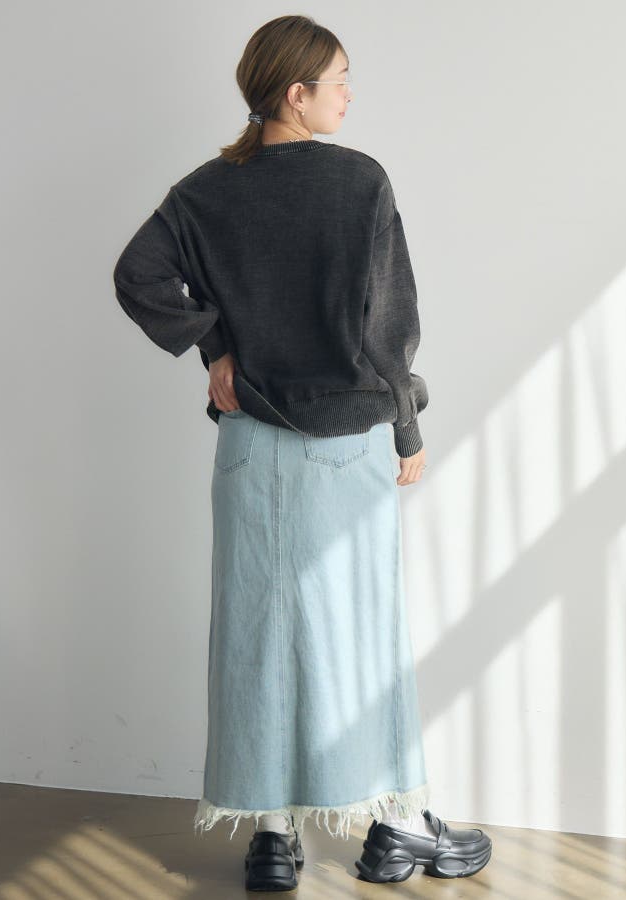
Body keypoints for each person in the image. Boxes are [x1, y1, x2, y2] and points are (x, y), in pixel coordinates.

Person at [113, 13, 492, 890]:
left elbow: (137, 275)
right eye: (340, 80)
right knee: (365, 634)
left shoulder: (204, 192)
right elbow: (389, 328)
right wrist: (406, 426)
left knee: (256, 636)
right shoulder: (359, 182)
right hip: (344, 450)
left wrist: (215, 349)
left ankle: (272, 839)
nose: (350, 95)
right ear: (297, 93)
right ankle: (398, 826)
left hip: (249, 447)